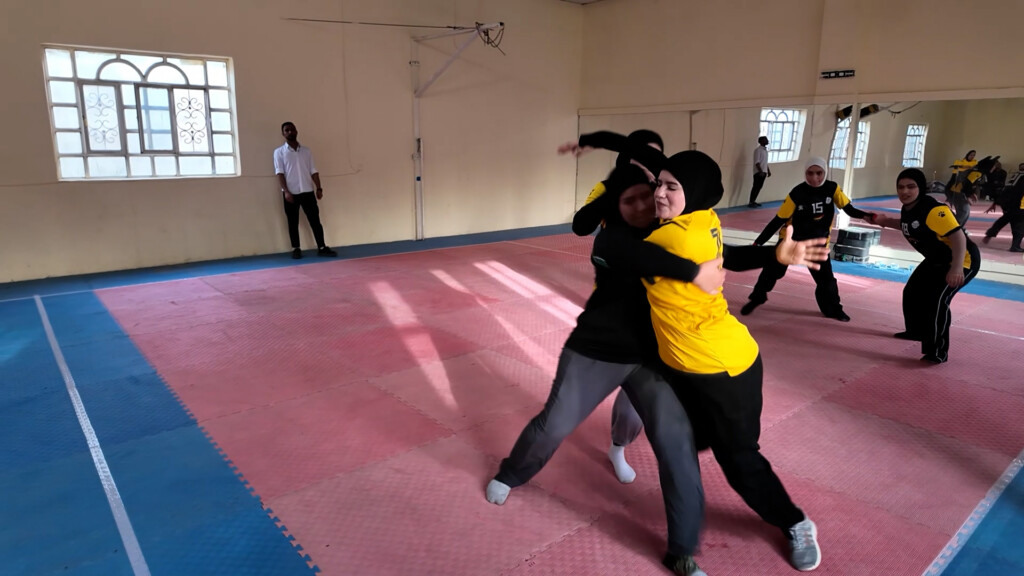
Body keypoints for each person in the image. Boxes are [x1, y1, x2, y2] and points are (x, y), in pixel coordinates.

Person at [581, 133, 828, 572]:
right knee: (681, 438)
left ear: (691, 192)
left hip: (722, 369)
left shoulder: (671, 240)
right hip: (690, 361)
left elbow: (607, 246)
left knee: (740, 461)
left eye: (671, 187)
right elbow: (728, 255)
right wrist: (774, 256)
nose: (658, 194)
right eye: (658, 183)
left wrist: (609, 190)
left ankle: (795, 522)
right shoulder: (702, 218)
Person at [486, 164, 720, 575]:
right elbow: (635, 253)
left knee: (675, 444)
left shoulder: (680, 230)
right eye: (630, 200)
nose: (646, 203)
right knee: (554, 425)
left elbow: (714, 250)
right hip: (597, 350)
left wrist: (773, 254)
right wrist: (693, 272)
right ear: (617, 207)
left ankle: (682, 549)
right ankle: (511, 473)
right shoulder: (612, 240)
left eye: (651, 192)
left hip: (651, 358)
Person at [739, 157, 875, 321]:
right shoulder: (797, 193)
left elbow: (849, 209)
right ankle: (756, 298)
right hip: (791, 242)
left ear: (825, 172)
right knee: (773, 271)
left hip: (817, 244)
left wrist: (867, 216)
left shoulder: (832, 189)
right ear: (805, 173)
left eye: (819, 173)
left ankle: (833, 309)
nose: (814, 178)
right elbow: (778, 220)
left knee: (826, 281)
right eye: (810, 173)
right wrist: (757, 243)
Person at [867, 168, 981, 363]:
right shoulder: (909, 207)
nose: (905, 191)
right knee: (912, 292)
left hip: (962, 260)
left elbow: (958, 237)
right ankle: (916, 331)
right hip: (936, 259)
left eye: (911, 187)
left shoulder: (934, 210)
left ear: (920, 188)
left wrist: (956, 268)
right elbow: (908, 224)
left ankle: (937, 351)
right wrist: (883, 221)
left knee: (936, 301)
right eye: (901, 187)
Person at [273, 122, 337, 259]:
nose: (290, 132)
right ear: (283, 133)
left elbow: (313, 170)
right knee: (292, 222)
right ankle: (296, 248)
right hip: (291, 193)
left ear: (296, 131)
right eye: (287, 130)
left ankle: (322, 247)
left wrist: (319, 188)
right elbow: (280, 173)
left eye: (292, 129)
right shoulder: (279, 152)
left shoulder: (306, 151)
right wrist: (286, 191)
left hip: (308, 191)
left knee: (315, 220)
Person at [982, 164, 1024, 252]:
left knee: (1006, 218)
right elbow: (1017, 191)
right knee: (1019, 225)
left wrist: (996, 202)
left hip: (1007, 203)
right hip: (1017, 204)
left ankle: (990, 233)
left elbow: (1006, 190)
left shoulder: (1017, 175)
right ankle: (1015, 246)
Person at [748, 136, 772, 208]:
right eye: (765, 140)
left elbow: (765, 162)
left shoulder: (765, 151)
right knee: (755, 187)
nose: (767, 141)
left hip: (764, 172)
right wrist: (760, 171)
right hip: (758, 173)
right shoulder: (758, 150)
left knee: (759, 187)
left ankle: (753, 201)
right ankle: (751, 202)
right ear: (761, 141)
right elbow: (757, 162)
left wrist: (768, 170)